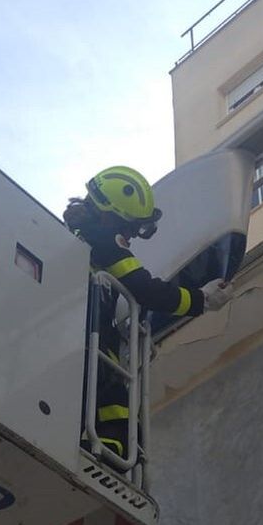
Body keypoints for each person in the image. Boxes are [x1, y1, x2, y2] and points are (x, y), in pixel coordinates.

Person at [63, 165, 232, 463]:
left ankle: (102, 452)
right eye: (129, 227)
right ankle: (105, 459)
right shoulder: (102, 238)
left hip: (76, 339)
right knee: (115, 412)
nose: (130, 237)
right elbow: (146, 290)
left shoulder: (74, 236)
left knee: (111, 407)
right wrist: (200, 300)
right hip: (87, 343)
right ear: (109, 214)